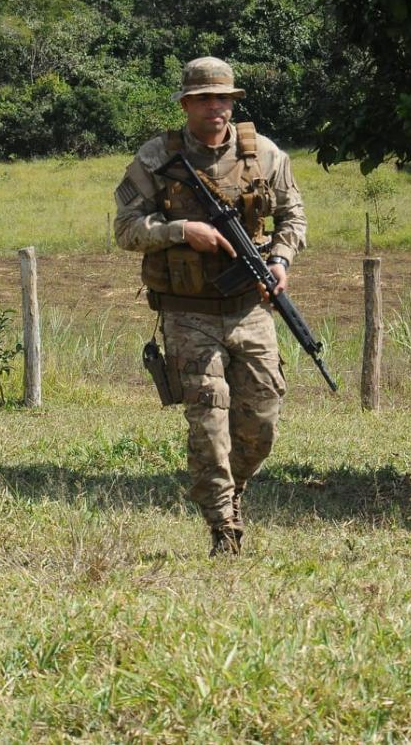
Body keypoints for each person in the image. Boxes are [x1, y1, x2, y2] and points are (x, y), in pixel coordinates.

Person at [114, 57, 307, 556]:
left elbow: (293, 216)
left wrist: (280, 259)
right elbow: (126, 229)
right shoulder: (156, 157)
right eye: (203, 99)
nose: (215, 107)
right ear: (186, 104)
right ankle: (222, 525)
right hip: (188, 311)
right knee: (208, 416)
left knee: (261, 419)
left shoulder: (262, 153)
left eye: (223, 98)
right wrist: (182, 231)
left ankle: (233, 489)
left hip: (250, 307)